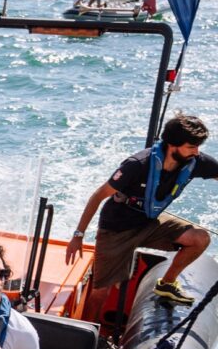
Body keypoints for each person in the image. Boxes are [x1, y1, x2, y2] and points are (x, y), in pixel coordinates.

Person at [66, 114, 215, 318]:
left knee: (200, 238)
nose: (196, 152)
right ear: (173, 145)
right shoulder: (137, 164)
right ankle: (89, 330)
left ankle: (167, 284)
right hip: (116, 230)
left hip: (149, 222)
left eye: (198, 147)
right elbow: (98, 196)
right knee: (101, 292)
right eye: (191, 147)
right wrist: (78, 235)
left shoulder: (195, 161)